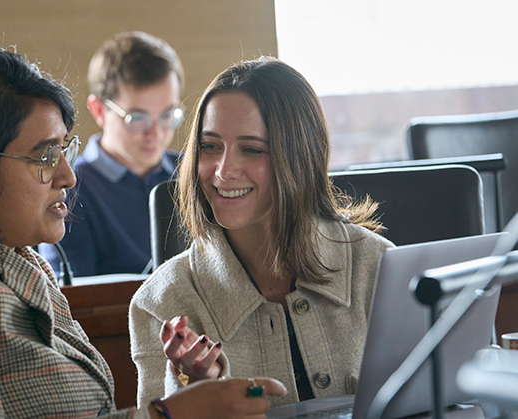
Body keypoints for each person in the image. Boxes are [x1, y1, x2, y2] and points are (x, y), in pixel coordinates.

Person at [0, 45, 286, 419]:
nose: (67, 176)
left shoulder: (21, 262)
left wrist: (185, 393)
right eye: (42, 157)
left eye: (64, 150)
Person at [129, 56, 395, 409]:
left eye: (251, 150)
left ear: (300, 157)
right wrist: (193, 392)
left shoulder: (378, 265)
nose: (223, 172)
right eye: (210, 147)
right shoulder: (160, 303)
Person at [39, 31, 184, 277]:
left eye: (168, 115)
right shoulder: (68, 187)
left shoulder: (194, 171)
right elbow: (73, 300)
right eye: (138, 118)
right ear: (99, 110)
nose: (156, 133)